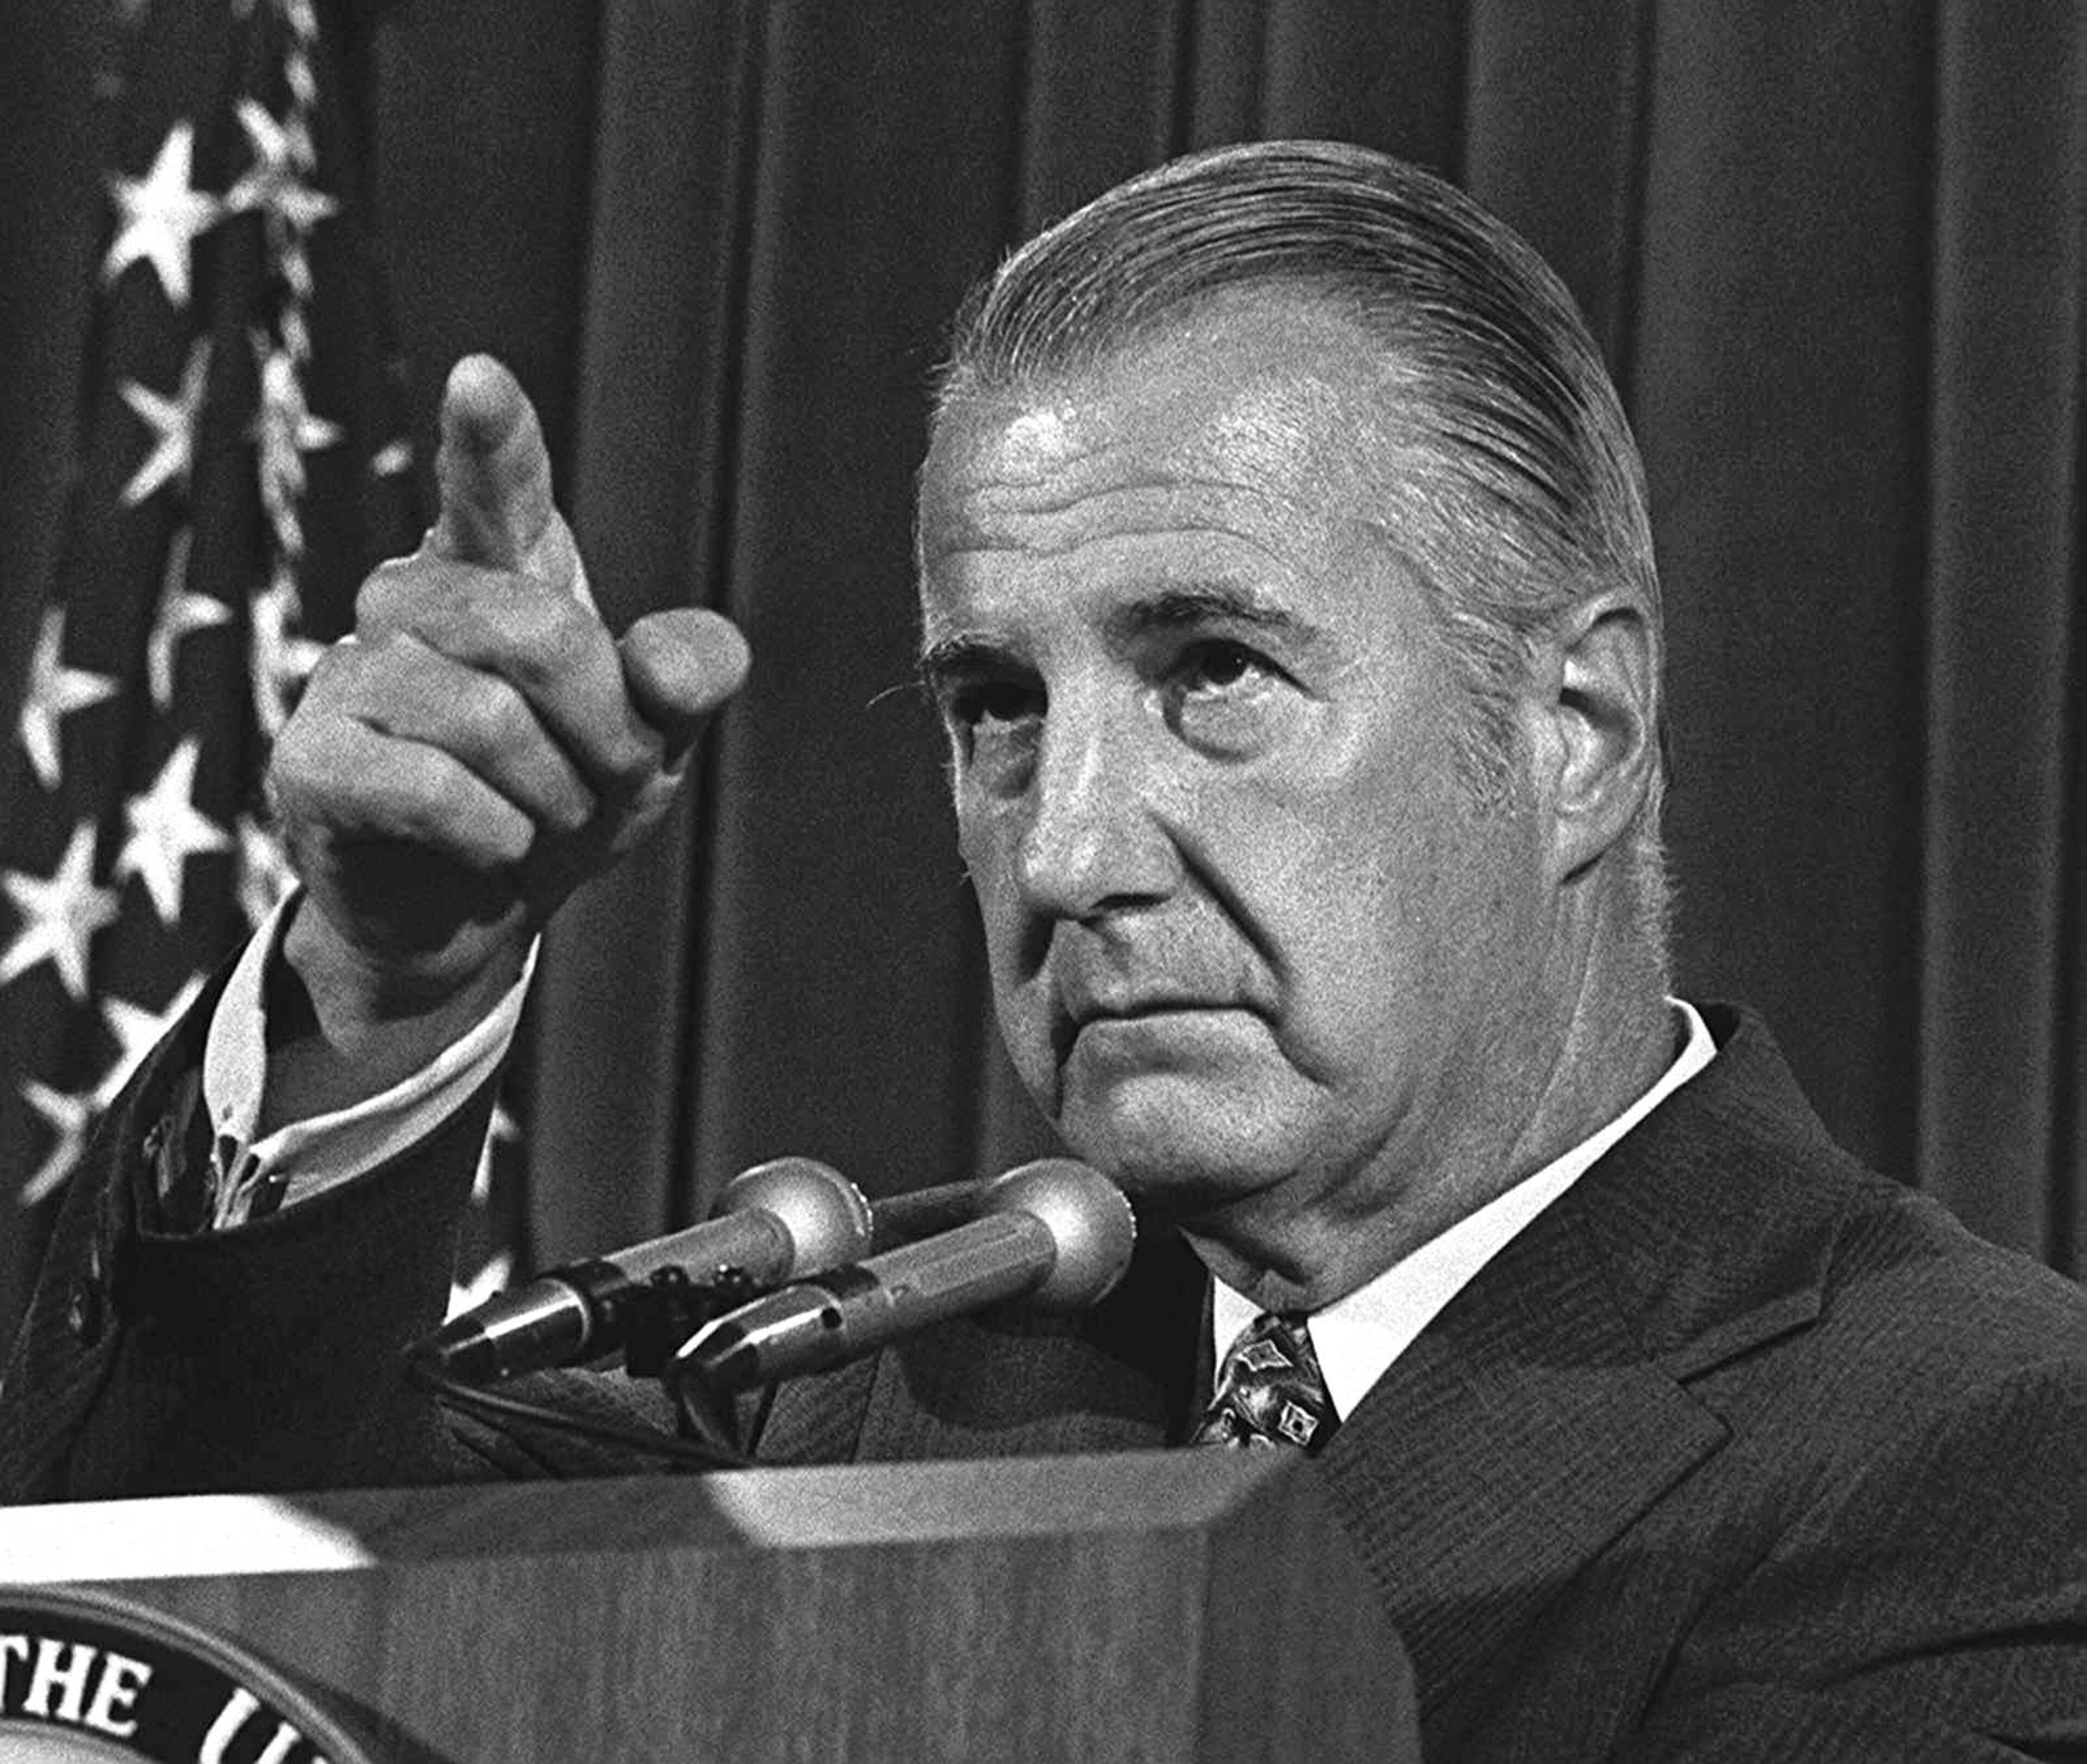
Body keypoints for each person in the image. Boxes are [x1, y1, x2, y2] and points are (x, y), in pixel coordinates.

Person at [3, 141, 2081, 1760]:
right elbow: (155, 1639)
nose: (1070, 845)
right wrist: (385, 985)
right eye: (1000, 705)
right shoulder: (829, 1402)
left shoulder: (1992, 1453)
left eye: (1215, 671)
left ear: (1576, 737)